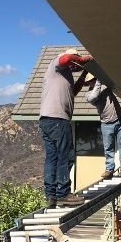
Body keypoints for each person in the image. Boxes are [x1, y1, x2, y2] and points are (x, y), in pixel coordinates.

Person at [39, 49, 92, 208]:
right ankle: (63, 194)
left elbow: (72, 92)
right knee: (66, 155)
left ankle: (51, 195)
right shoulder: (57, 63)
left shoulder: (64, 75)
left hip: (47, 120)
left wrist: (83, 76)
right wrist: (84, 59)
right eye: (74, 63)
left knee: (52, 157)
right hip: (58, 119)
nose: (76, 66)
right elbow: (66, 58)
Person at [86, 78, 121, 179]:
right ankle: (109, 170)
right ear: (88, 83)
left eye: (94, 79)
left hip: (119, 119)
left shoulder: (106, 86)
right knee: (108, 148)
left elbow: (114, 83)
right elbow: (94, 96)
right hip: (106, 124)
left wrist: (101, 79)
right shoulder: (88, 94)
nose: (93, 81)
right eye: (91, 80)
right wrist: (99, 81)